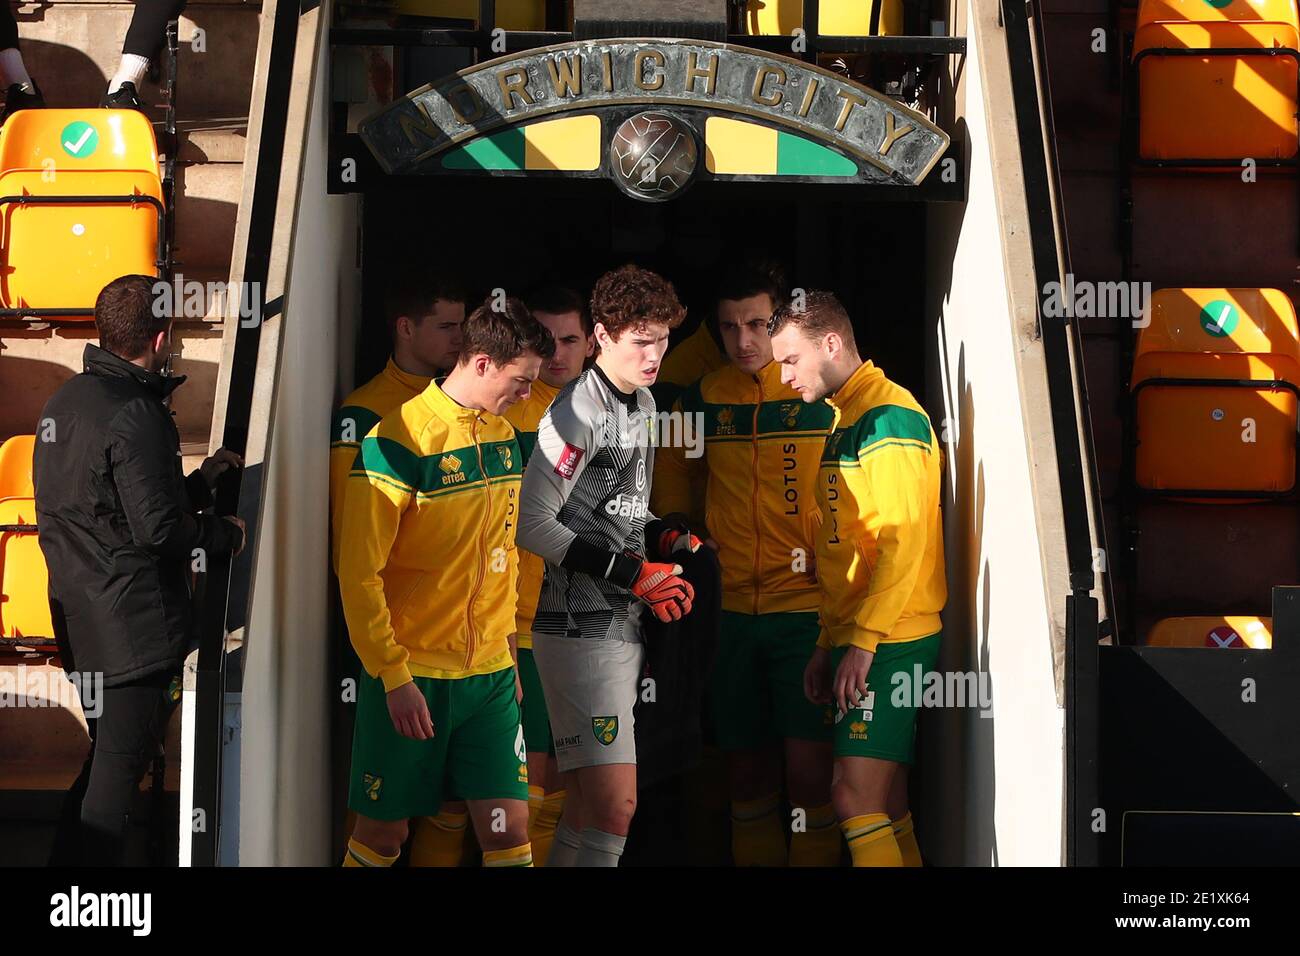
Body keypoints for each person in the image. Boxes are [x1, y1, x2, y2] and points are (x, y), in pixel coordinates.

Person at [33, 273, 246, 865]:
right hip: (133, 633)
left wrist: (199, 486)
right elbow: (156, 530)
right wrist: (221, 534)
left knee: (106, 761)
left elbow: (114, 509)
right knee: (114, 781)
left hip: (83, 622)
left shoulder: (65, 401)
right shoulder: (136, 412)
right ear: (160, 337)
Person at [336, 296, 553, 868]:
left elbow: (502, 553)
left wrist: (506, 649)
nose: (527, 395)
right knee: (383, 837)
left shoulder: (505, 437)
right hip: (414, 676)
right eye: (521, 380)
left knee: (509, 832)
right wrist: (391, 674)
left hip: (491, 678)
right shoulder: (395, 440)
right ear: (481, 363)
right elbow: (358, 572)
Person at [652, 258, 840, 866]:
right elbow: (675, 469)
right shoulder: (703, 397)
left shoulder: (818, 392)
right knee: (745, 779)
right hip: (729, 611)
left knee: (812, 778)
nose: (744, 340)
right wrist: (680, 534)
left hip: (807, 611)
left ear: (781, 320)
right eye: (729, 327)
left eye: (758, 324)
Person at [517, 264, 696, 868]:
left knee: (588, 808)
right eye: (641, 340)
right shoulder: (574, 414)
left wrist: (664, 535)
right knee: (617, 806)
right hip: (576, 628)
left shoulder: (643, 402)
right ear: (603, 335)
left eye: (664, 338)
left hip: (623, 622)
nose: (655, 354)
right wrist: (633, 574)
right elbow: (533, 524)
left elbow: (623, 508)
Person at [768, 290, 947, 867]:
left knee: (852, 797)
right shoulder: (848, 419)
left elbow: (904, 543)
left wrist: (863, 640)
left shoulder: (889, 417)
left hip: (893, 637)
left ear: (831, 343)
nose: (784, 377)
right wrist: (829, 641)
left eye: (791, 361)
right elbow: (845, 549)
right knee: (886, 803)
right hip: (868, 634)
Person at [328, 276, 468, 864]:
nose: (461, 339)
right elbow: (353, 545)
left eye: (465, 325)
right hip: (389, 646)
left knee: (454, 801)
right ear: (405, 328)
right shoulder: (363, 412)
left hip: (461, 642)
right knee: (381, 815)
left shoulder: (471, 408)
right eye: (447, 326)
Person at [501, 284, 594, 865]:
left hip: (588, 628)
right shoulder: (505, 410)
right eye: (545, 339)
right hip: (519, 626)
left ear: (592, 343)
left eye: (569, 339)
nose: (556, 354)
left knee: (568, 786)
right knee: (522, 790)